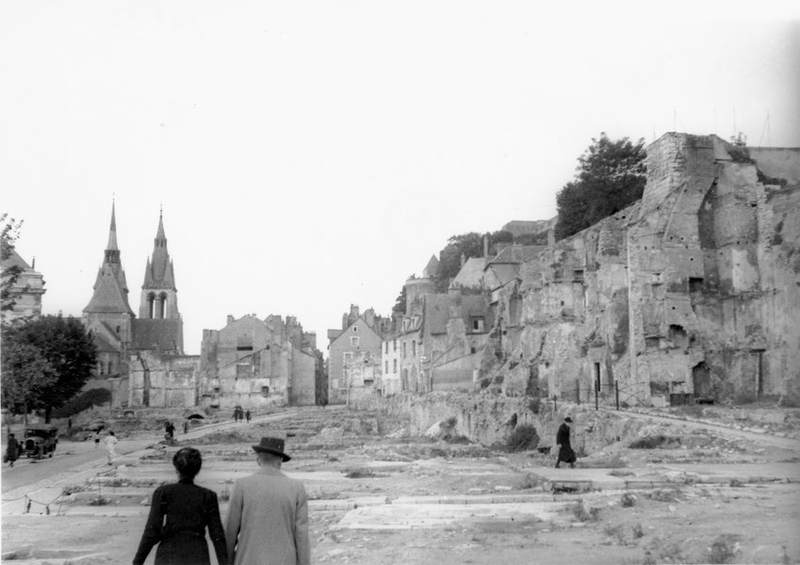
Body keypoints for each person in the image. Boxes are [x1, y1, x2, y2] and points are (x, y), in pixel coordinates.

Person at [132, 447, 227, 565]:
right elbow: (217, 536)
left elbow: (151, 533)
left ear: (176, 469)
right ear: (197, 470)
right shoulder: (208, 496)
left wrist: (137, 562)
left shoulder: (163, 493)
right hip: (198, 555)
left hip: (168, 555)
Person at [225, 437, 310, 565]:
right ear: (280, 460)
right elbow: (301, 536)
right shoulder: (297, 488)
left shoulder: (241, 485)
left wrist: (228, 561)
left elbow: (229, 533)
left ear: (258, 459)